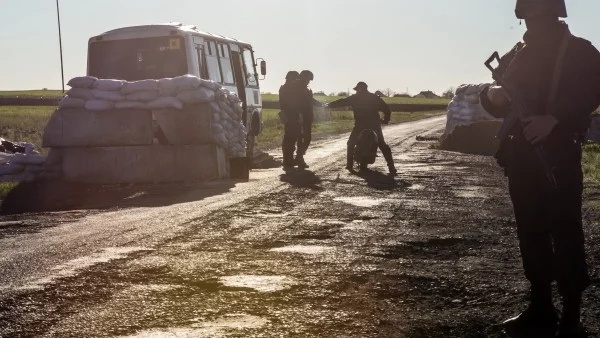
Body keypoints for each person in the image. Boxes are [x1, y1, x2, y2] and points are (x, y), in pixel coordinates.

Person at [480, 0, 600, 336]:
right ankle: (541, 307)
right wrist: (495, 96)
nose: (534, 26)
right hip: (521, 155)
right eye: (529, 19)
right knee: (530, 229)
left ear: (554, 15)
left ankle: (572, 317)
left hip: (559, 154)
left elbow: (593, 90)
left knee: (565, 232)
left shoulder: (580, 51)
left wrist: (556, 118)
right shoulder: (518, 52)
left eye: (540, 18)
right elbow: (495, 98)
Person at [328, 82, 397, 175]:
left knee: (351, 143)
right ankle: (392, 168)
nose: (356, 92)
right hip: (374, 124)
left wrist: (329, 105)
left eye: (357, 90)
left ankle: (349, 165)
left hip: (360, 125)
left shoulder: (355, 98)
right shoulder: (374, 98)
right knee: (382, 145)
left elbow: (342, 102)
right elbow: (386, 109)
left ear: (359, 89)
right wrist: (386, 119)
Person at [279, 71, 302, 171]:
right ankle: (288, 160)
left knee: (290, 138)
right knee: (290, 138)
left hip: (288, 116)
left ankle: (288, 160)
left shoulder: (284, 88)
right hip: (291, 116)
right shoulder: (289, 89)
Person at [295, 70, 315, 169]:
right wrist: (300, 116)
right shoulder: (298, 89)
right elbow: (297, 103)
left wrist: (321, 104)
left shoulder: (305, 89)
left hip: (307, 117)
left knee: (305, 138)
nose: (308, 82)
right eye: (307, 79)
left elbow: (311, 100)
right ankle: (299, 158)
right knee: (303, 138)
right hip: (301, 117)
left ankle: (299, 157)